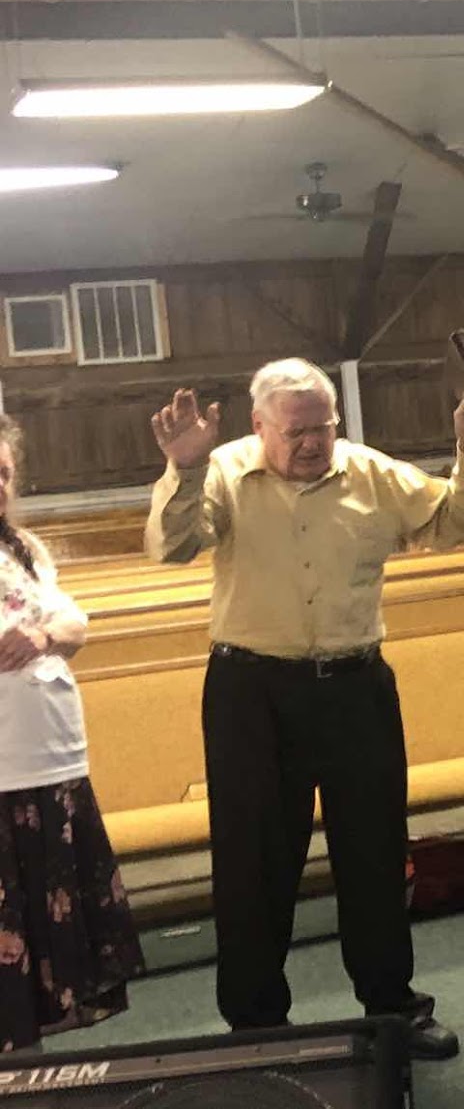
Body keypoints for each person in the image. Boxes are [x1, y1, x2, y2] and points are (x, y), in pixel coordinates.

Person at [145, 359, 464, 1060]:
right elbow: (172, 546)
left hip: (354, 687)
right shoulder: (222, 471)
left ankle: (391, 1007)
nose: (311, 443)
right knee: (253, 864)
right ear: (259, 426)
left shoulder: (370, 473)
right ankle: (256, 1027)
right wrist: (182, 468)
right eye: (295, 431)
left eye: (323, 428)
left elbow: (458, 524)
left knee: (374, 853)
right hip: (252, 693)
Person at [0, 417, 144, 1054]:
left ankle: (28, 1072)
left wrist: (44, 635)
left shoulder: (24, 547)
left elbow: (74, 624)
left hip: (49, 762)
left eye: (4, 473)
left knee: (41, 939)